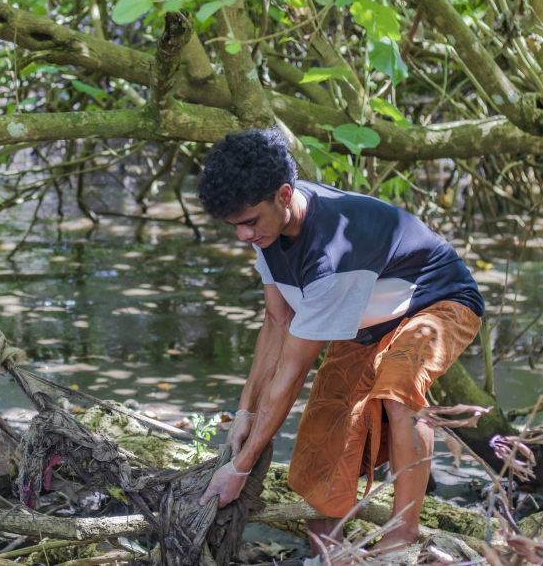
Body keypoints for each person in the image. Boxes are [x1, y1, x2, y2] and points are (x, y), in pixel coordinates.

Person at [196, 128, 484, 551]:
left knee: (397, 390)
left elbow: (291, 373)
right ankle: (327, 546)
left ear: (284, 194)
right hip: (365, 315)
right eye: (235, 226)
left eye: (249, 223)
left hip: (438, 302)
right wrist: (245, 413)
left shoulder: (331, 256)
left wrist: (240, 469)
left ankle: (403, 533)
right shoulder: (267, 226)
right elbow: (277, 321)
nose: (243, 235)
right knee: (329, 417)